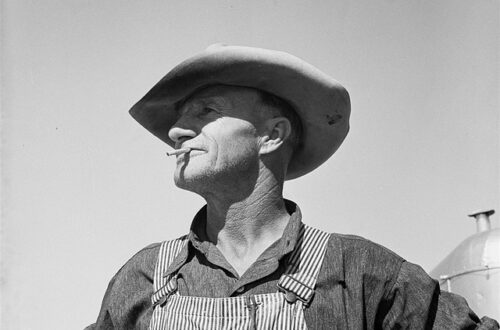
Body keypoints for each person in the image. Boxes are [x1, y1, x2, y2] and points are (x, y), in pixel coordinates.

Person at [87, 45, 499, 329]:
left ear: (271, 136)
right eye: (180, 118)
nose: (177, 131)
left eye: (206, 111)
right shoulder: (142, 279)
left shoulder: (361, 275)